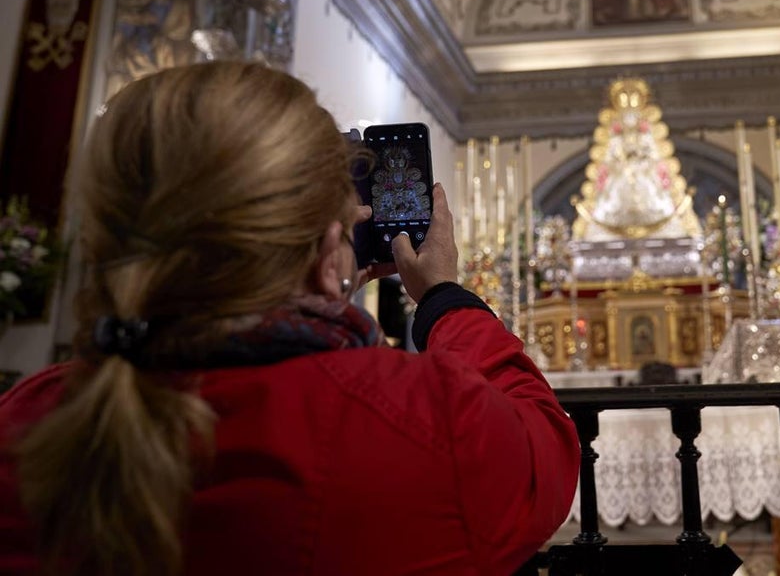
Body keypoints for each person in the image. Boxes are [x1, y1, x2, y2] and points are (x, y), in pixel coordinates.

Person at [0, 61, 579, 576]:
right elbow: (543, 451)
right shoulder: (423, 426)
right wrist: (445, 298)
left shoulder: (24, 417)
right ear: (331, 247)